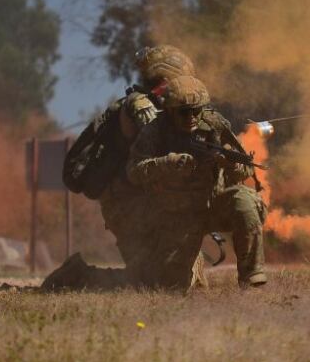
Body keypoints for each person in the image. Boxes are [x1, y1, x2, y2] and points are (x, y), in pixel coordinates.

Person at [43, 45, 205, 291]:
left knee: (175, 276)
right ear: (166, 78)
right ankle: (78, 275)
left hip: (146, 200)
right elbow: (162, 145)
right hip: (127, 205)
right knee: (150, 282)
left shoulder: (159, 107)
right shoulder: (141, 105)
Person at [126, 75, 267, 289]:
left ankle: (251, 274)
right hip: (176, 215)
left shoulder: (214, 124)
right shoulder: (155, 131)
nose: (191, 117)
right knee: (170, 287)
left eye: (197, 110)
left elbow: (246, 167)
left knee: (245, 200)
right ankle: (192, 266)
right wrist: (166, 163)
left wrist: (229, 164)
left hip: (213, 205)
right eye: (184, 112)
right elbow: (133, 172)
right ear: (171, 110)